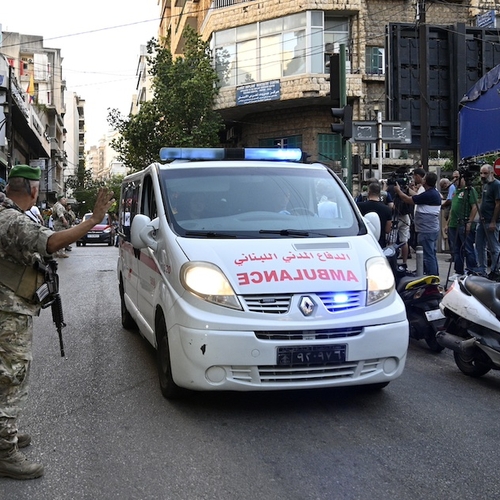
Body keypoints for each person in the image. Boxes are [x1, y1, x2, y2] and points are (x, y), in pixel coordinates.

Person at [0, 165, 114, 480]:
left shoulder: (8, 214)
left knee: (6, 374)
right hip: (7, 313)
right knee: (12, 376)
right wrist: (92, 221)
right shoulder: (10, 219)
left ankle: (4, 433)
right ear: (33, 190)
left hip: (11, 307)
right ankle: (3, 450)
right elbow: (50, 242)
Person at [394, 171, 442, 276]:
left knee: (428, 255)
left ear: (426, 181)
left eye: (424, 178)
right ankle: (429, 273)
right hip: (430, 229)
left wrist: (398, 191)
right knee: (430, 254)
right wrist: (407, 189)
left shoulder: (429, 195)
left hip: (426, 230)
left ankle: (432, 276)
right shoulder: (433, 193)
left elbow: (407, 199)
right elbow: (417, 196)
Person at [444, 174, 478, 275]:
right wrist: (447, 224)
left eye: (457, 177)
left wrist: (470, 222)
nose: (454, 179)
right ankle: (459, 271)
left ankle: (472, 271)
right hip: (454, 225)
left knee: (468, 249)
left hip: (464, 223)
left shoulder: (470, 191)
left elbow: (474, 207)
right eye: (453, 177)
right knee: (456, 250)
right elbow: (452, 209)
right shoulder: (455, 191)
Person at [470, 164, 500, 277]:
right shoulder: (485, 185)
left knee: (493, 247)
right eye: (481, 173)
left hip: (491, 221)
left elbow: (498, 204)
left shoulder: (496, 185)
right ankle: (482, 268)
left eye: (485, 173)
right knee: (479, 245)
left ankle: (495, 270)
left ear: (492, 173)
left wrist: (493, 221)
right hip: (482, 221)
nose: (482, 175)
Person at [357, 182, 392, 247]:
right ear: (379, 193)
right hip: (380, 244)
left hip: (364, 242)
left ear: (368, 192)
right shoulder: (387, 209)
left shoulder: (359, 206)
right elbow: (387, 230)